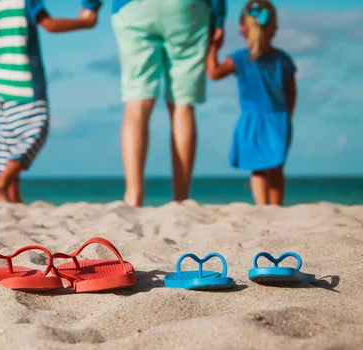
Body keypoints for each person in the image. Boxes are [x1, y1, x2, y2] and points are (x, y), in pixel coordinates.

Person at [0, 0, 100, 203]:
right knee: (35, 133)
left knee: (11, 140)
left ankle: (13, 199)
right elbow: (49, 25)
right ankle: (0, 183)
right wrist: (85, 22)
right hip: (26, 81)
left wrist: (2, 50)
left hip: (2, 85)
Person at [111, 0, 227, 207]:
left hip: (133, 8)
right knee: (183, 104)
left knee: (136, 101)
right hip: (186, 8)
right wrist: (218, 17)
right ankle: (181, 198)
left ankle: (133, 195)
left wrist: (90, 6)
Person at [207, 0, 297, 205]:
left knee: (258, 168)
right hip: (278, 118)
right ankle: (276, 208)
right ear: (274, 28)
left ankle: (262, 208)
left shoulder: (239, 58)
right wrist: (286, 116)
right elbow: (291, 93)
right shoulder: (284, 59)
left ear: (242, 29)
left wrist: (213, 47)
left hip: (252, 120)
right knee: (276, 167)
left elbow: (213, 73)